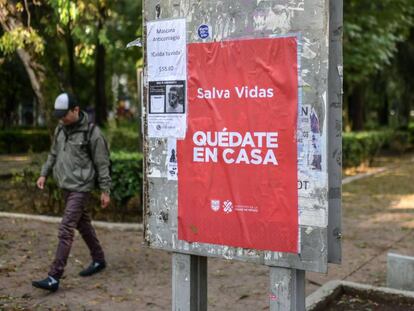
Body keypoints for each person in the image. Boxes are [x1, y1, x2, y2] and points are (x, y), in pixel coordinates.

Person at [32, 93, 111, 292]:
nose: (61, 119)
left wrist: (105, 190)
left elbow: (102, 164)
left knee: (66, 228)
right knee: (83, 224)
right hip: (65, 185)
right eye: (58, 115)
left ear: (76, 110)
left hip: (81, 187)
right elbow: (53, 153)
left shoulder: (92, 132)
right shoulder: (61, 128)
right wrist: (44, 174)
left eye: (64, 114)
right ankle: (99, 259)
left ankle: (54, 276)